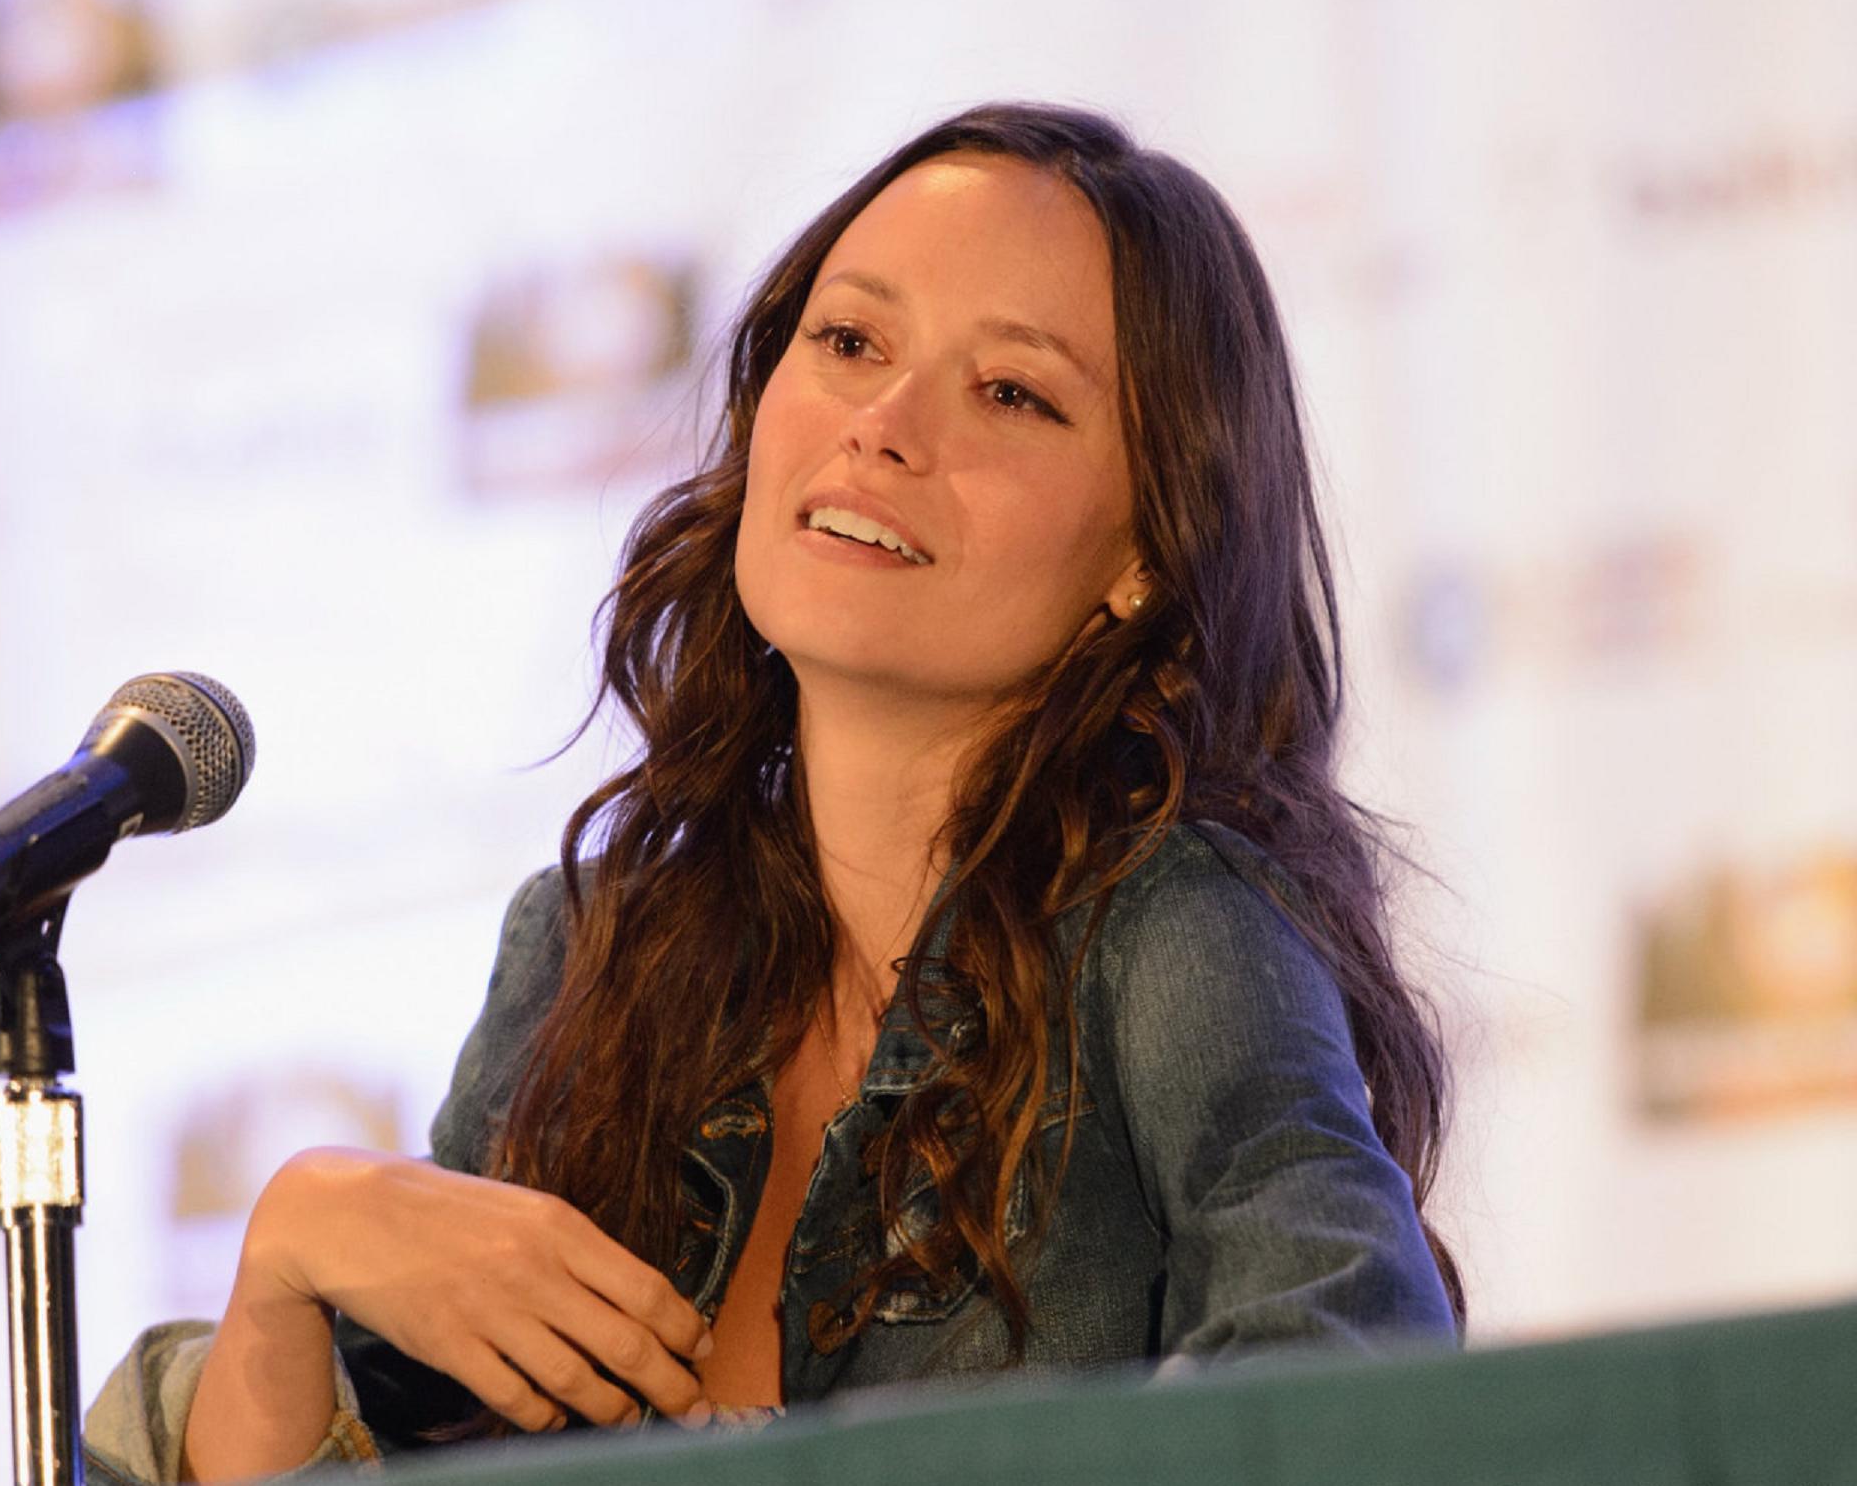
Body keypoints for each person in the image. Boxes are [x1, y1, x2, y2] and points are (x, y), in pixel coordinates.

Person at [85, 101, 1463, 1484]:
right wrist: (292, 1252)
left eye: (1011, 393)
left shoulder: (1175, 930)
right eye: (851, 342)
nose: (883, 426)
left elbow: (1353, 1388)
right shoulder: (588, 949)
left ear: (1147, 557)